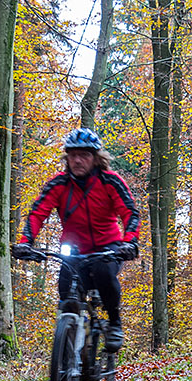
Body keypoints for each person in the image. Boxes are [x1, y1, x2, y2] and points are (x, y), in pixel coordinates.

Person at [11, 128, 140, 352]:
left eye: (84, 155)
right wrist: (25, 242)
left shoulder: (110, 182)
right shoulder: (58, 184)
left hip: (108, 247)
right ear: (67, 158)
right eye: (73, 155)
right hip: (74, 250)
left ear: (96, 158)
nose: (78, 160)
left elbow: (130, 212)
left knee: (103, 272)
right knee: (65, 290)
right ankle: (68, 356)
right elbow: (38, 212)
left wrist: (129, 242)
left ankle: (114, 322)